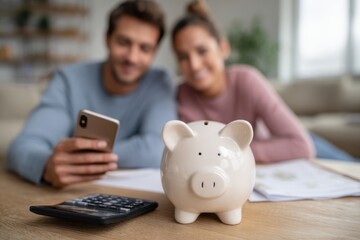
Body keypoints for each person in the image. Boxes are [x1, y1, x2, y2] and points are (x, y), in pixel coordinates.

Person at [6, 0, 177, 187]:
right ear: (107, 39)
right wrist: (47, 165)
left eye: (145, 48)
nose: (132, 57)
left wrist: (82, 157)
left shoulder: (159, 83)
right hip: (76, 192)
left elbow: (156, 149)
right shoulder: (68, 80)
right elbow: (23, 146)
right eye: (123, 42)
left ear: (154, 52)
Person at [172, 0, 314, 163]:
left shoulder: (247, 80)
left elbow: (301, 146)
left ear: (223, 48)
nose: (194, 65)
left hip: (276, 148)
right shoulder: (179, 96)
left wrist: (231, 151)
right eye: (183, 57)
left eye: (202, 51)